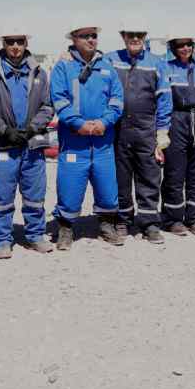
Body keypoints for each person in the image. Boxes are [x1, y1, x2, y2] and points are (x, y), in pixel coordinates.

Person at [0, 32, 55, 259]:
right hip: (3, 145)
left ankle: (35, 235)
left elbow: (47, 107)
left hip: (31, 145)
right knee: (2, 196)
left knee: (35, 194)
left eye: (19, 42)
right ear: (3, 44)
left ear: (26, 43)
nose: (15, 46)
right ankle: (2, 239)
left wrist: (32, 129)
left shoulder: (39, 72)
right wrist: (5, 131)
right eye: (10, 42)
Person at [50, 24, 125, 249]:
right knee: (70, 184)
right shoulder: (63, 66)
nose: (91, 40)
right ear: (74, 39)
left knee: (106, 183)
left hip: (102, 139)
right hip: (74, 139)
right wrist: (78, 124)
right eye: (85, 36)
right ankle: (65, 227)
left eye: (94, 36)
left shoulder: (107, 67)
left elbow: (117, 99)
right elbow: (59, 99)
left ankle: (106, 223)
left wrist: (105, 122)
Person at [106, 24, 172, 243]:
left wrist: (162, 132)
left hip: (146, 130)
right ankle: (123, 219)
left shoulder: (156, 64)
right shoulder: (110, 60)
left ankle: (150, 222)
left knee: (149, 176)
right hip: (118, 129)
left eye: (139, 34)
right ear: (122, 36)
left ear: (145, 36)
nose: (134, 38)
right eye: (129, 34)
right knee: (120, 178)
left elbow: (164, 99)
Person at [160, 35, 195, 236]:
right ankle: (172, 219)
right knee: (174, 173)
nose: (185, 48)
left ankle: (194, 218)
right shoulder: (165, 68)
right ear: (173, 47)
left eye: (188, 44)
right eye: (180, 45)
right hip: (176, 120)